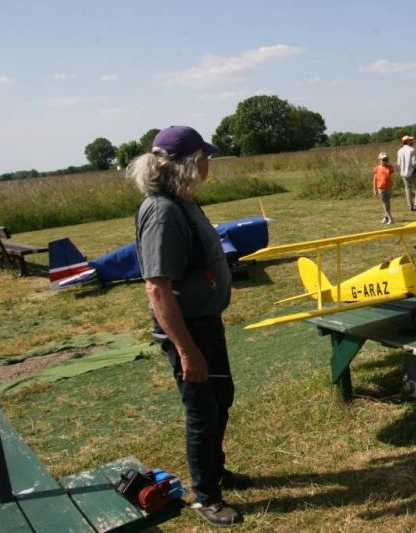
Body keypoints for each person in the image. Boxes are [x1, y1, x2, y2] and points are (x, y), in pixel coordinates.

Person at [127, 126, 251, 528]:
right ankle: (207, 498)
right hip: (190, 332)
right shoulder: (162, 211)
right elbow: (157, 288)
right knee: (202, 412)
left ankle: (215, 473)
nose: (209, 163)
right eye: (206, 156)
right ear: (190, 162)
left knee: (221, 399)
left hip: (205, 325)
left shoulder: (182, 201)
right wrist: (185, 350)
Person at [397, 135, 416, 211]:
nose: (412, 141)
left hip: (403, 173)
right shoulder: (412, 150)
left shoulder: (399, 151)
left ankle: (410, 206)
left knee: (408, 189)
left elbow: (399, 164)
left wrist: (401, 170)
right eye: (410, 140)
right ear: (407, 141)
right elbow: (414, 162)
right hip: (412, 172)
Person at [373, 152, 395, 224]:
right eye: (383, 159)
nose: (385, 161)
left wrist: (390, 163)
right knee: (385, 203)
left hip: (388, 188)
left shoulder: (389, 167)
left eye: (386, 159)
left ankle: (387, 218)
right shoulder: (376, 168)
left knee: (387, 203)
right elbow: (375, 179)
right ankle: (389, 218)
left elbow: (398, 169)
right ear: (379, 160)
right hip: (380, 188)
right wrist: (375, 189)